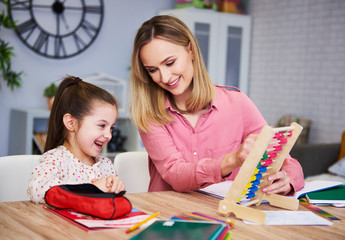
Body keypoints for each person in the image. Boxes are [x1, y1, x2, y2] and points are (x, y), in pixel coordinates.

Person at [129, 15, 304, 195]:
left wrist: (287, 179)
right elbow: (176, 175)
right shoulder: (149, 116)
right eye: (152, 70)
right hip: (169, 216)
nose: (164, 77)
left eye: (170, 63)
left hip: (225, 215)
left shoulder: (237, 103)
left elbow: (285, 160)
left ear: (191, 50)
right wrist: (232, 160)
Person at [28, 76, 125, 204]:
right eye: (102, 125)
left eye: (111, 128)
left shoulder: (106, 165)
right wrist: (90, 189)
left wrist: (115, 188)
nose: (108, 135)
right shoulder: (56, 160)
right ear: (71, 123)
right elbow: (37, 191)